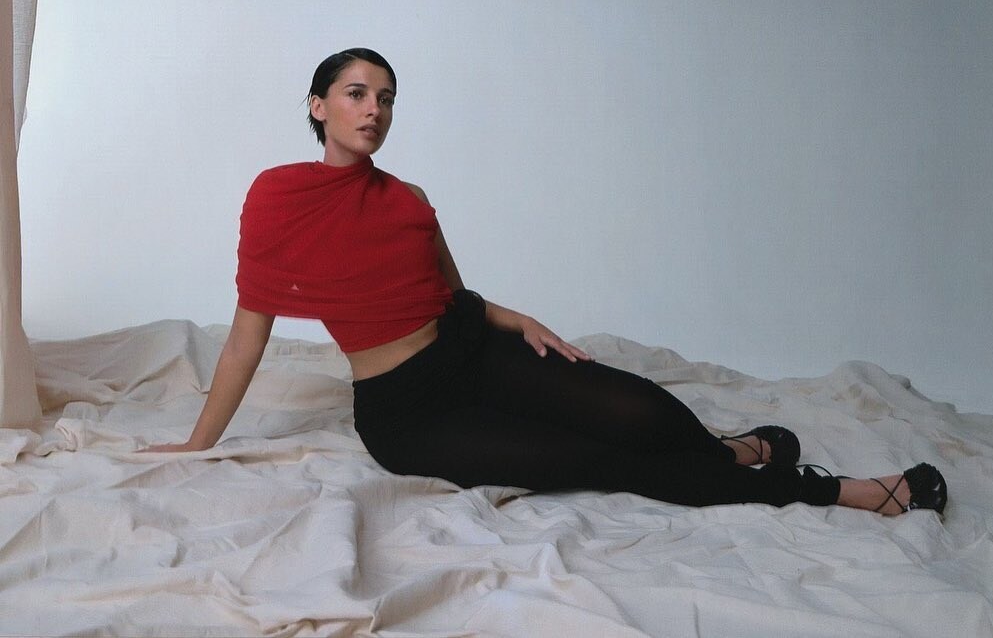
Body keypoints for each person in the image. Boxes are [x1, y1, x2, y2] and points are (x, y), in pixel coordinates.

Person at [144, 48, 947, 517]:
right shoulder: (276, 196)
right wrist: (198, 440)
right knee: (599, 458)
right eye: (356, 94)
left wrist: (516, 318)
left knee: (638, 408)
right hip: (406, 410)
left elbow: (448, 294)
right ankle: (836, 492)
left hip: (471, 353)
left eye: (386, 98)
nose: (374, 110)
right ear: (318, 106)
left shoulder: (408, 198)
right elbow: (246, 337)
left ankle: (726, 449)